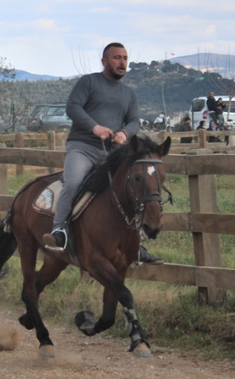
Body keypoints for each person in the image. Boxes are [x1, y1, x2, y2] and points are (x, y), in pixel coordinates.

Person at [42, 43, 161, 264]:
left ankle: (137, 243)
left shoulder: (129, 93)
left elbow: (135, 120)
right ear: (104, 61)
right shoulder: (88, 82)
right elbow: (73, 107)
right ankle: (59, 231)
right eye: (117, 58)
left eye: (125, 58)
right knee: (74, 182)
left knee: (131, 191)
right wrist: (94, 127)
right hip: (83, 147)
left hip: (113, 153)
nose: (122, 62)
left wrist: (125, 133)